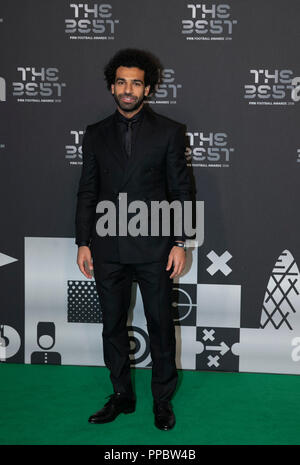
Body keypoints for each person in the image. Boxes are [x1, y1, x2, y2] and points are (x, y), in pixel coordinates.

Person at [75, 48, 192, 430]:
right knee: (112, 324)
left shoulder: (169, 132)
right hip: (107, 247)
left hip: (155, 246)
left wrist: (180, 241)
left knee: (160, 324)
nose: (128, 89)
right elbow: (87, 191)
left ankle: (162, 400)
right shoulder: (94, 134)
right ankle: (122, 395)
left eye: (136, 83)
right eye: (122, 82)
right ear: (112, 86)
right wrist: (82, 242)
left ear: (148, 89)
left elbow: (181, 190)